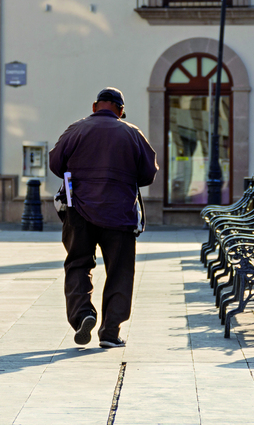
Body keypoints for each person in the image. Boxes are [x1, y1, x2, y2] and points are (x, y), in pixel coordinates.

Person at [49, 87, 158, 349]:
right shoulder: (132, 133)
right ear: (120, 111)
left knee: (78, 264)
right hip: (119, 214)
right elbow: (148, 174)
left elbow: (55, 163)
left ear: (95, 106)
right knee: (119, 271)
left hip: (80, 211)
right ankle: (110, 332)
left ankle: (83, 314)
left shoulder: (76, 129)